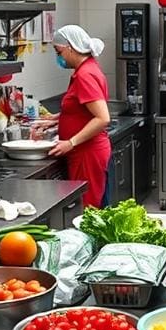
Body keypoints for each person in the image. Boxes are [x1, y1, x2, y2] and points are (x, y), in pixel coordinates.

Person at [38, 25, 112, 208]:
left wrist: (70, 143)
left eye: (59, 52)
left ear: (70, 47)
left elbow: (103, 118)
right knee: (89, 207)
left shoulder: (85, 75)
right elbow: (82, 108)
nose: (59, 57)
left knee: (87, 210)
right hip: (85, 152)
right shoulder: (86, 69)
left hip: (87, 153)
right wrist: (58, 118)